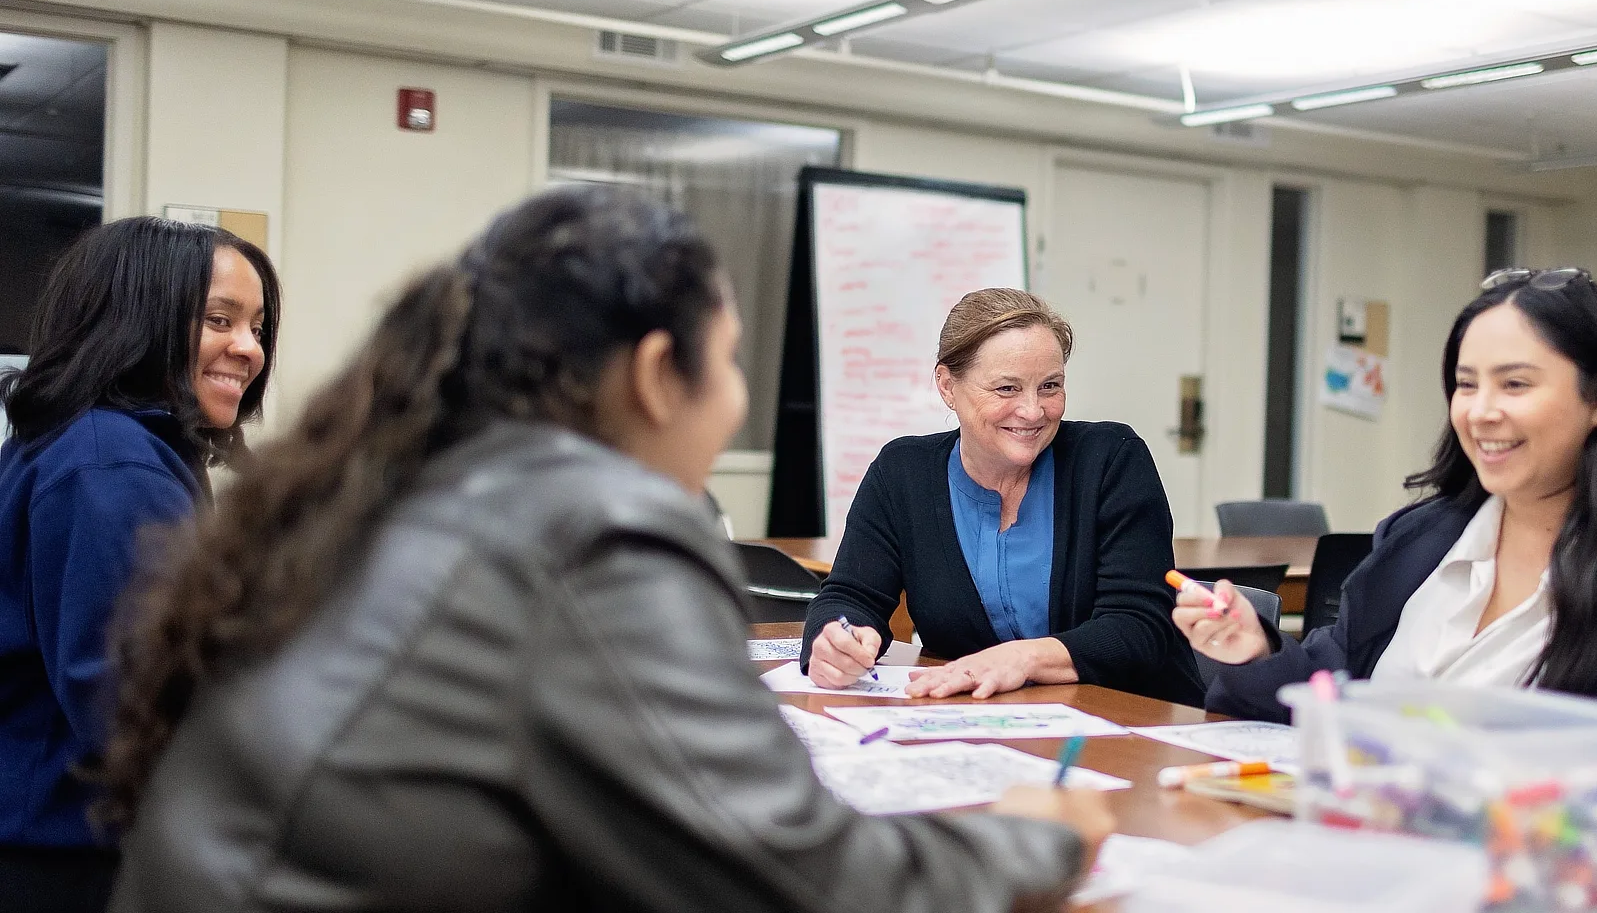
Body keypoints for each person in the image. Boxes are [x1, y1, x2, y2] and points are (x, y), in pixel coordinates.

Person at [101, 188, 1108, 912]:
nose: (736, 397)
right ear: (659, 373)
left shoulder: (402, 486)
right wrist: (1035, 840)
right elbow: (810, 879)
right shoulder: (595, 536)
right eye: (730, 361)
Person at [1176, 267, 1597, 827]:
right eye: (1466, 385)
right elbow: (1335, 687)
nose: (1481, 412)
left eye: (1515, 384)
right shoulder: (1420, 540)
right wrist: (1255, 653)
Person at [0, 218, 277, 913]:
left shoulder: (106, 445)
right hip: (65, 861)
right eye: (221, 320)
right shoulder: (112, 467)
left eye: (258, 327)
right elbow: (136, 702)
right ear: (140, 322)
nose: (249, 350)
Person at [803, 288, 1204, 706]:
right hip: (992, 729)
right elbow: (851, 596)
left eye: (1049, 386)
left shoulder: (1111, 460)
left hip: (1136, 725)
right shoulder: (902, 472)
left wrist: (1022, 660)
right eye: (1007, 388)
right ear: (947, 385)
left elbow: (1139, 627)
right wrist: (836, 638)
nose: (1033, 411)